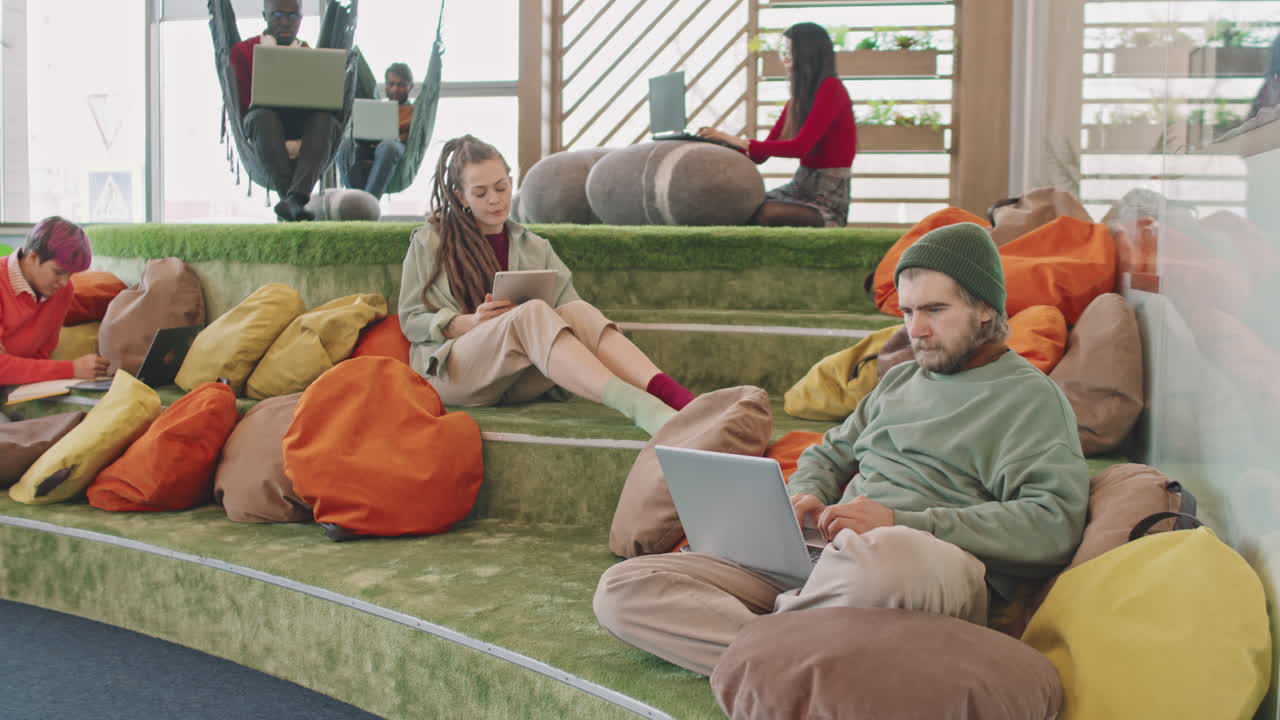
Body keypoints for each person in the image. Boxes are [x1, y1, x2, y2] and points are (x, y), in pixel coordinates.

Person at [594, 222, 1089, 676]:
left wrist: (899, 522)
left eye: (935, 310)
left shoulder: (1029, 400)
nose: (915, 330)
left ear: (985, 308)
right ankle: (806, 660)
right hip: (827, 559)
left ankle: (781, 645)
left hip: (920, 563)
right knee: (624, 590)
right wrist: (805, 494)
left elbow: (1052, 524)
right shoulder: (900, 383)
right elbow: (828, 454)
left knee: (882, 562)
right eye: (909, 311)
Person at [399, 135, 696, 435]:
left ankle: (682, 401)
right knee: (530, 313)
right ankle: (638, 405)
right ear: (460, 196)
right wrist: (469, 323)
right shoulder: (429, 243)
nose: (495, 199)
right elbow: (411, 319)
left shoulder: (535, 247)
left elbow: (575, 321)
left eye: (502, 187)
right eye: (480, 192)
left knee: (577, 311)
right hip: (455, 375)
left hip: (517, 377)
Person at [698, 22, 856, 227]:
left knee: (764, 214)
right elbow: (758, 155)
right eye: (785, 52)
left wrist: (730, 138)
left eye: (791, 52)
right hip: (799, 189)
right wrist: (718, 148)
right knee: (738, 207)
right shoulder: (797, 101)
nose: (785, 58)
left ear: (808, 55)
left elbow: (800, 147)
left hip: (827, 201)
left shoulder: (832, 89)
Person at [229, 0, 343, 222]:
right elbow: (241, 102)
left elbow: (321, 96)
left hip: (300, 121)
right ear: (265, 16)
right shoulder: (242, 51)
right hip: (261, 121)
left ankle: (293, 201)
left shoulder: (309, 54)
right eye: (278, 15)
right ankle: (291, 198)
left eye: (293, 17)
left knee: (325, 120)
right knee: (263, 117)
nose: (285, 23)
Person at [1, 217, 109, 387]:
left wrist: (12, 366)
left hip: (18, 387)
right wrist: (71, 369)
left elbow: (42, 354)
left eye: (71, 274)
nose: (64, 282)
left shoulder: (63, 291)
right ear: (33, 257)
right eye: (58, 272)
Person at [338, 63, 414, 199]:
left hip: (395, 148)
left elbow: (411, 137)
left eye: (401, 84)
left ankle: (369, 201)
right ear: (385, 86)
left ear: (410, 86)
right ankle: (354, 199)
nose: (395, 89)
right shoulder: (375, 108)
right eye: (391, 84)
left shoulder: (414, 112)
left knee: (388, 146)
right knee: (345, 144)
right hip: (368, 146)